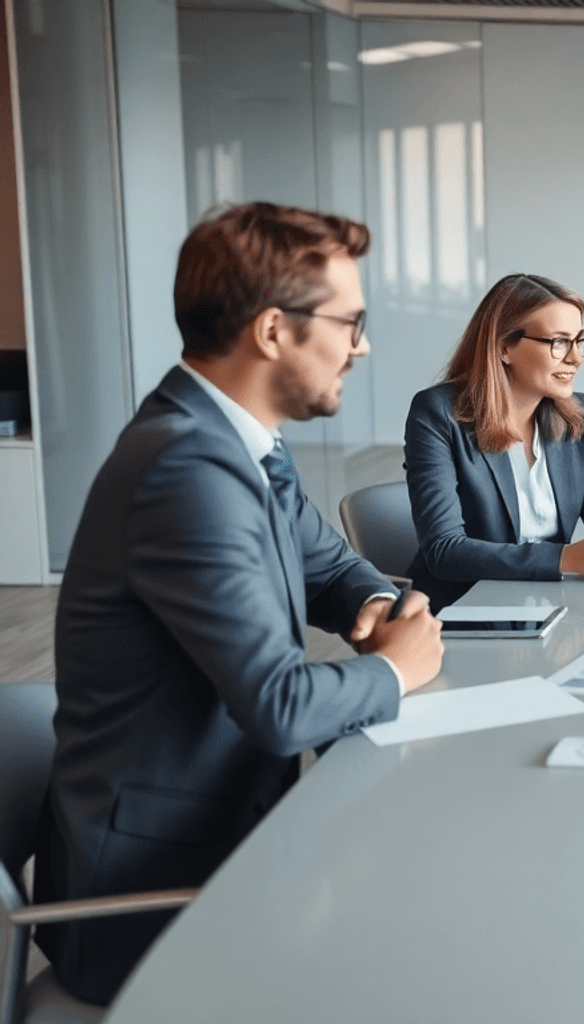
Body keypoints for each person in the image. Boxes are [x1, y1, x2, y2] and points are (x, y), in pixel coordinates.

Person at [35, 202, 444, 1004]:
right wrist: (397, 670)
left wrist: (372, 602)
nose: (360, 346)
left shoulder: (237, 441)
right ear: (271, 331)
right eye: (349, 322)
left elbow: (331, 569)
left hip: (237, 840)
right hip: (157, 901)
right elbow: (281, 706)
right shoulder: (185, 469)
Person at [404, 273, 584, 611]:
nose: (576, 358)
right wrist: (566, 558)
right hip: (462, 613)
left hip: (550, 607)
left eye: (579, 341)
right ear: (504, 347)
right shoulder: (438, 413)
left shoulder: (578, 414)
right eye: (559, 342)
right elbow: (445, 550)